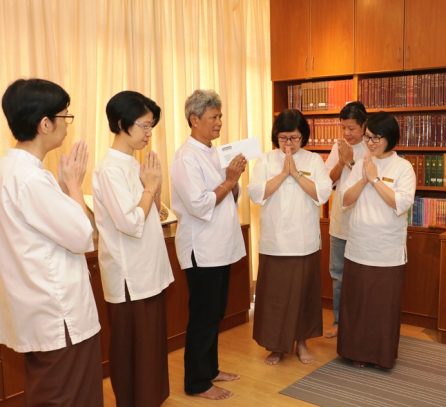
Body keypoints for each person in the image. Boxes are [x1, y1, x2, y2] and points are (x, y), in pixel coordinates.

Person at [0, 78, 102, 406]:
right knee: (66, 395)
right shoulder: (31, 178)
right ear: (45, 124)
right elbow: (84, 236)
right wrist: (73, 186)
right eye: (65, 117)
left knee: (48, 391)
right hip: (58, 311)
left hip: (32, 304)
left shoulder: (10, 170)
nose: (67, 126)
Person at [92, 91, 174, 406]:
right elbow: (129, 223)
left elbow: (154, 212)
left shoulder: (131, 164)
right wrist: (151, 187)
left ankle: (150, 398)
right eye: (144, 126)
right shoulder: (110, 168)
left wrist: (155, 192)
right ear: (122, 123)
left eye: (151, 126)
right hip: (130, 275)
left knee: (151, 345)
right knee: (132, 348)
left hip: (147, 269)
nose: (148, 133)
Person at [170, 89, 246, 400]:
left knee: (216, 312)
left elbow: (229, 195)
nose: (219, 123)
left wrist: (233, 181)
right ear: (194, 119)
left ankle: (210, 370)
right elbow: (200, 205)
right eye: (214, 117)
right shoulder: (185, 157)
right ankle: (197, 383)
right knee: (203, 315)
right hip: (201, 248)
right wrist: (228, 181)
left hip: (220, 245)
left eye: (220, 116)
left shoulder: (214, 151)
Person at [248, 109, 332, 365]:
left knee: (303, 295)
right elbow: (257, 194)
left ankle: (302, 343)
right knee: (276, 297)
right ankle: (276, 346)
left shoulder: (314, 160)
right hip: (275, 241)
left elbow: (322, 194)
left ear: (302, 136)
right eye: (284, 138)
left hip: (304, 241)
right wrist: (283, 173)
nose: (289, 143)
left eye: (294, 138)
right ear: (276, 137)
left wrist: (295, 174)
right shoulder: (264, 161)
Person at [338, 111, 416, 369]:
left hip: (387, 251)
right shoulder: (361, 162)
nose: (370, 143)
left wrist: (375, 178)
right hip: (359, 246)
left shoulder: (403, 167)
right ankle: (356, 352)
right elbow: (345, 200)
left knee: (382, 307)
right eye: (368, 137)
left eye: (376, 138)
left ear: (390, 138)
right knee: (358, 304)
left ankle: (381, 356)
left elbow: (400, 203)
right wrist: (363, 177)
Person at [323, 101, 369, 339]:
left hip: (364, 226)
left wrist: (351, 160)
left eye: (351, 128)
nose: (347, 133)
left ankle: (359, 323)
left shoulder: (373, 147)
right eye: (343, 128)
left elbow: (369, 183)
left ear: (364, 126)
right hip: (340, 223)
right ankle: (339, 321)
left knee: (362, 277)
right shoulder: (337, 146)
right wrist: (341, 161)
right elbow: (328, 181)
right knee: (338, 275)